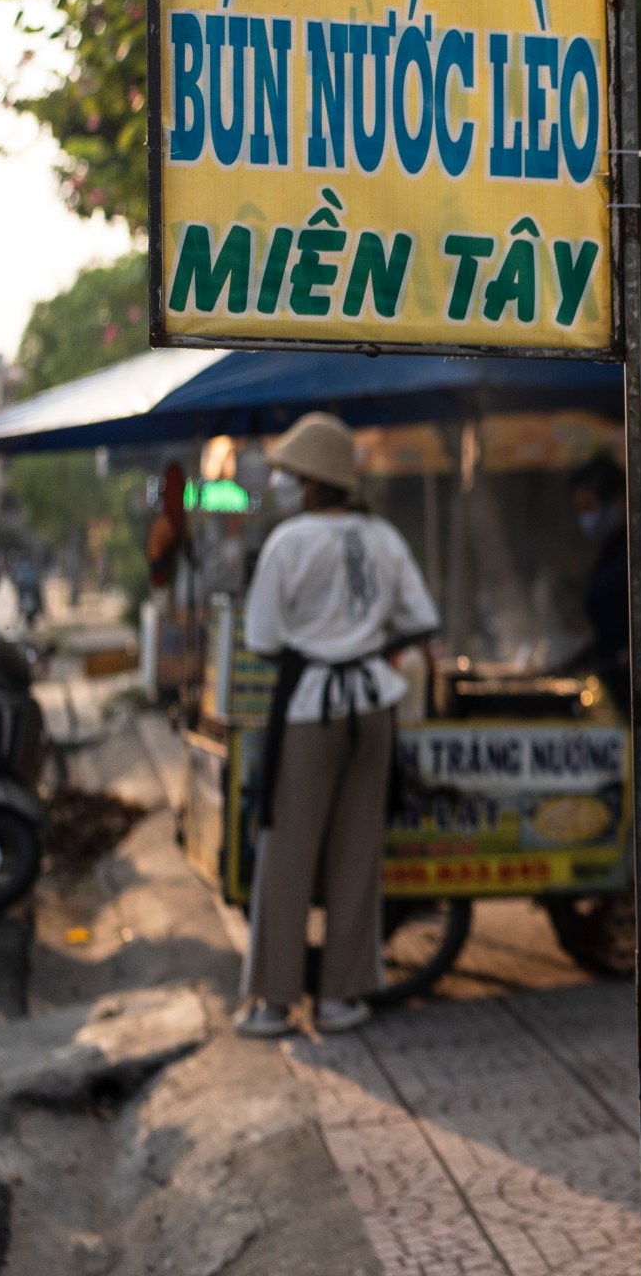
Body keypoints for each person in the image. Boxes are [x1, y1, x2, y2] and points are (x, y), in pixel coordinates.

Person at [237, 412, 439, 1038]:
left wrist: (322, 640)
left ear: (316, 481)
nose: (284, 485)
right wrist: (363, 641)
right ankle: (338, 998)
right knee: (358, 853)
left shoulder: (288, 542)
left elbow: (262, 638)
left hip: (308, 709)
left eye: (291, 475)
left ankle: (274, 1003)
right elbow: (419, 617)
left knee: (288, 851)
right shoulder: (383, 538)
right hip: (372, 707)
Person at [565, 455, 641, 717]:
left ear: (618, 501)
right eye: (579, 510)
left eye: (589, 507)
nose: (585, 518)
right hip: (621, 702)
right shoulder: (606, 556)